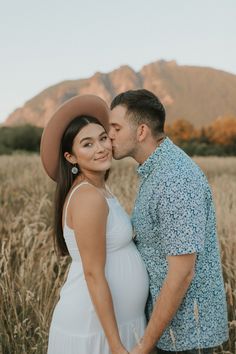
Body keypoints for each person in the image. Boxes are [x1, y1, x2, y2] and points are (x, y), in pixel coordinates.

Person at [109, 89, 229, 354]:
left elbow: (182, 272)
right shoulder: (156, 170)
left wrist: (144, 346)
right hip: (169, 332)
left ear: (141, 132)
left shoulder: (175, 179)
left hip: (186, 336)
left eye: (116, 127)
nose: (110, 135)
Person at [40, 94, 149, 354]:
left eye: (103, 138)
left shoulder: (100, 190)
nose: (101, 148)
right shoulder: (88, 197)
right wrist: (115, 344)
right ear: (71, 157)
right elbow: (93, 274)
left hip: (119, 323)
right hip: (95, 328)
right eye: (87, 144)